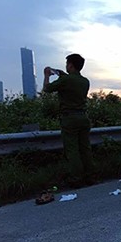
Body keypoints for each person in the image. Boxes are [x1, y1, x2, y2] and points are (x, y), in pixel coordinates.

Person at [42, 54, 95, 187]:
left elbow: (47, 89)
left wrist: (47, 75)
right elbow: (68, 78)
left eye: (67, 64)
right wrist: (58, 71)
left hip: (69, 119)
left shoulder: (66, 80)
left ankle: (76, 179)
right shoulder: (85, 81)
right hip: (83, 118)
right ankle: (90, 177)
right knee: (85, 149)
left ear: (70, 65)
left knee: (72, 150)